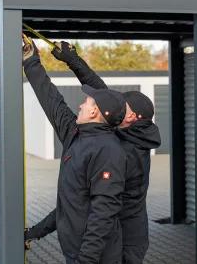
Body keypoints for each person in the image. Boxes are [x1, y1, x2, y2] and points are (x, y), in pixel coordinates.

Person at [51, 41, 161, 264]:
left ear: (130, 118)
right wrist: (72, 60)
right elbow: (102, 92)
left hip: (128, 241)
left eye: (123, 107)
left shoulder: (128, 151)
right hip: (114, 233)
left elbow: (99, 207)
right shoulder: (126, 131)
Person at [22, 37, 128, 264]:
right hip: (75, 252)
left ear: (95, 113)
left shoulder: (108, 151)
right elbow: (53, 103)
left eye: (87, 102)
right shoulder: (76, 135)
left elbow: (103, 213)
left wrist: (85, 259)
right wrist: (31, 61)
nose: (81, 104)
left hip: (95, 258)